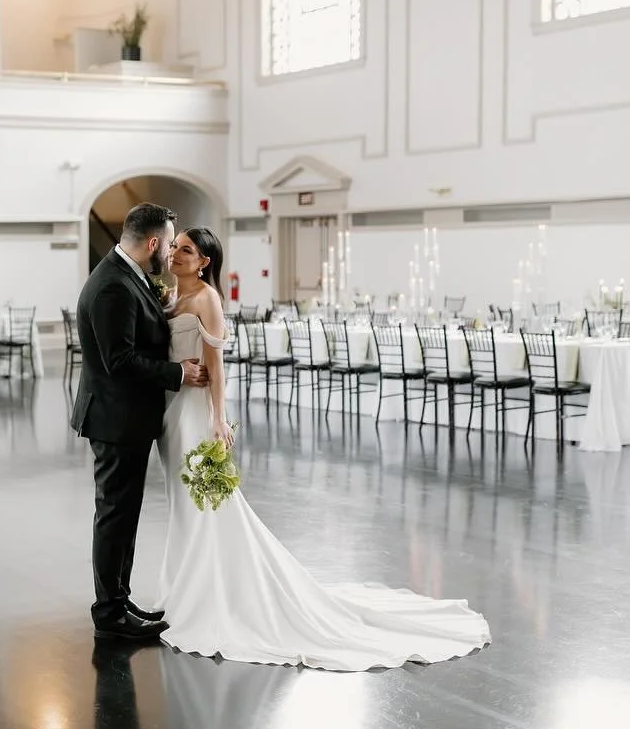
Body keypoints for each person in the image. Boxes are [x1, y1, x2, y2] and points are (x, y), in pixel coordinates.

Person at [152, 226, 491, 670]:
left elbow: (217, 367)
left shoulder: (206, 301)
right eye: (175, 247)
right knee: (184, 503)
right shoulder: (170, 298)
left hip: (195, 414)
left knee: (209, 505)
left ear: (204, 262)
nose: (176, 254)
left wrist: (218, 419)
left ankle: (213, 595)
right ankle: (186, 588)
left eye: (187, 250)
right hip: (171, 413)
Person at [73, 203, 207, 642]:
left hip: (121, 416)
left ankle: (118, 599)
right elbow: (119, 361)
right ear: (153, 242)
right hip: (116, 418)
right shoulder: (113, 285)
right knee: (115, 514)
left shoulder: (123, 275)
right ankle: (109, 614)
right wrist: (177, 373)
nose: (169, 253)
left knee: (123, 514)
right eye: (169, 244)